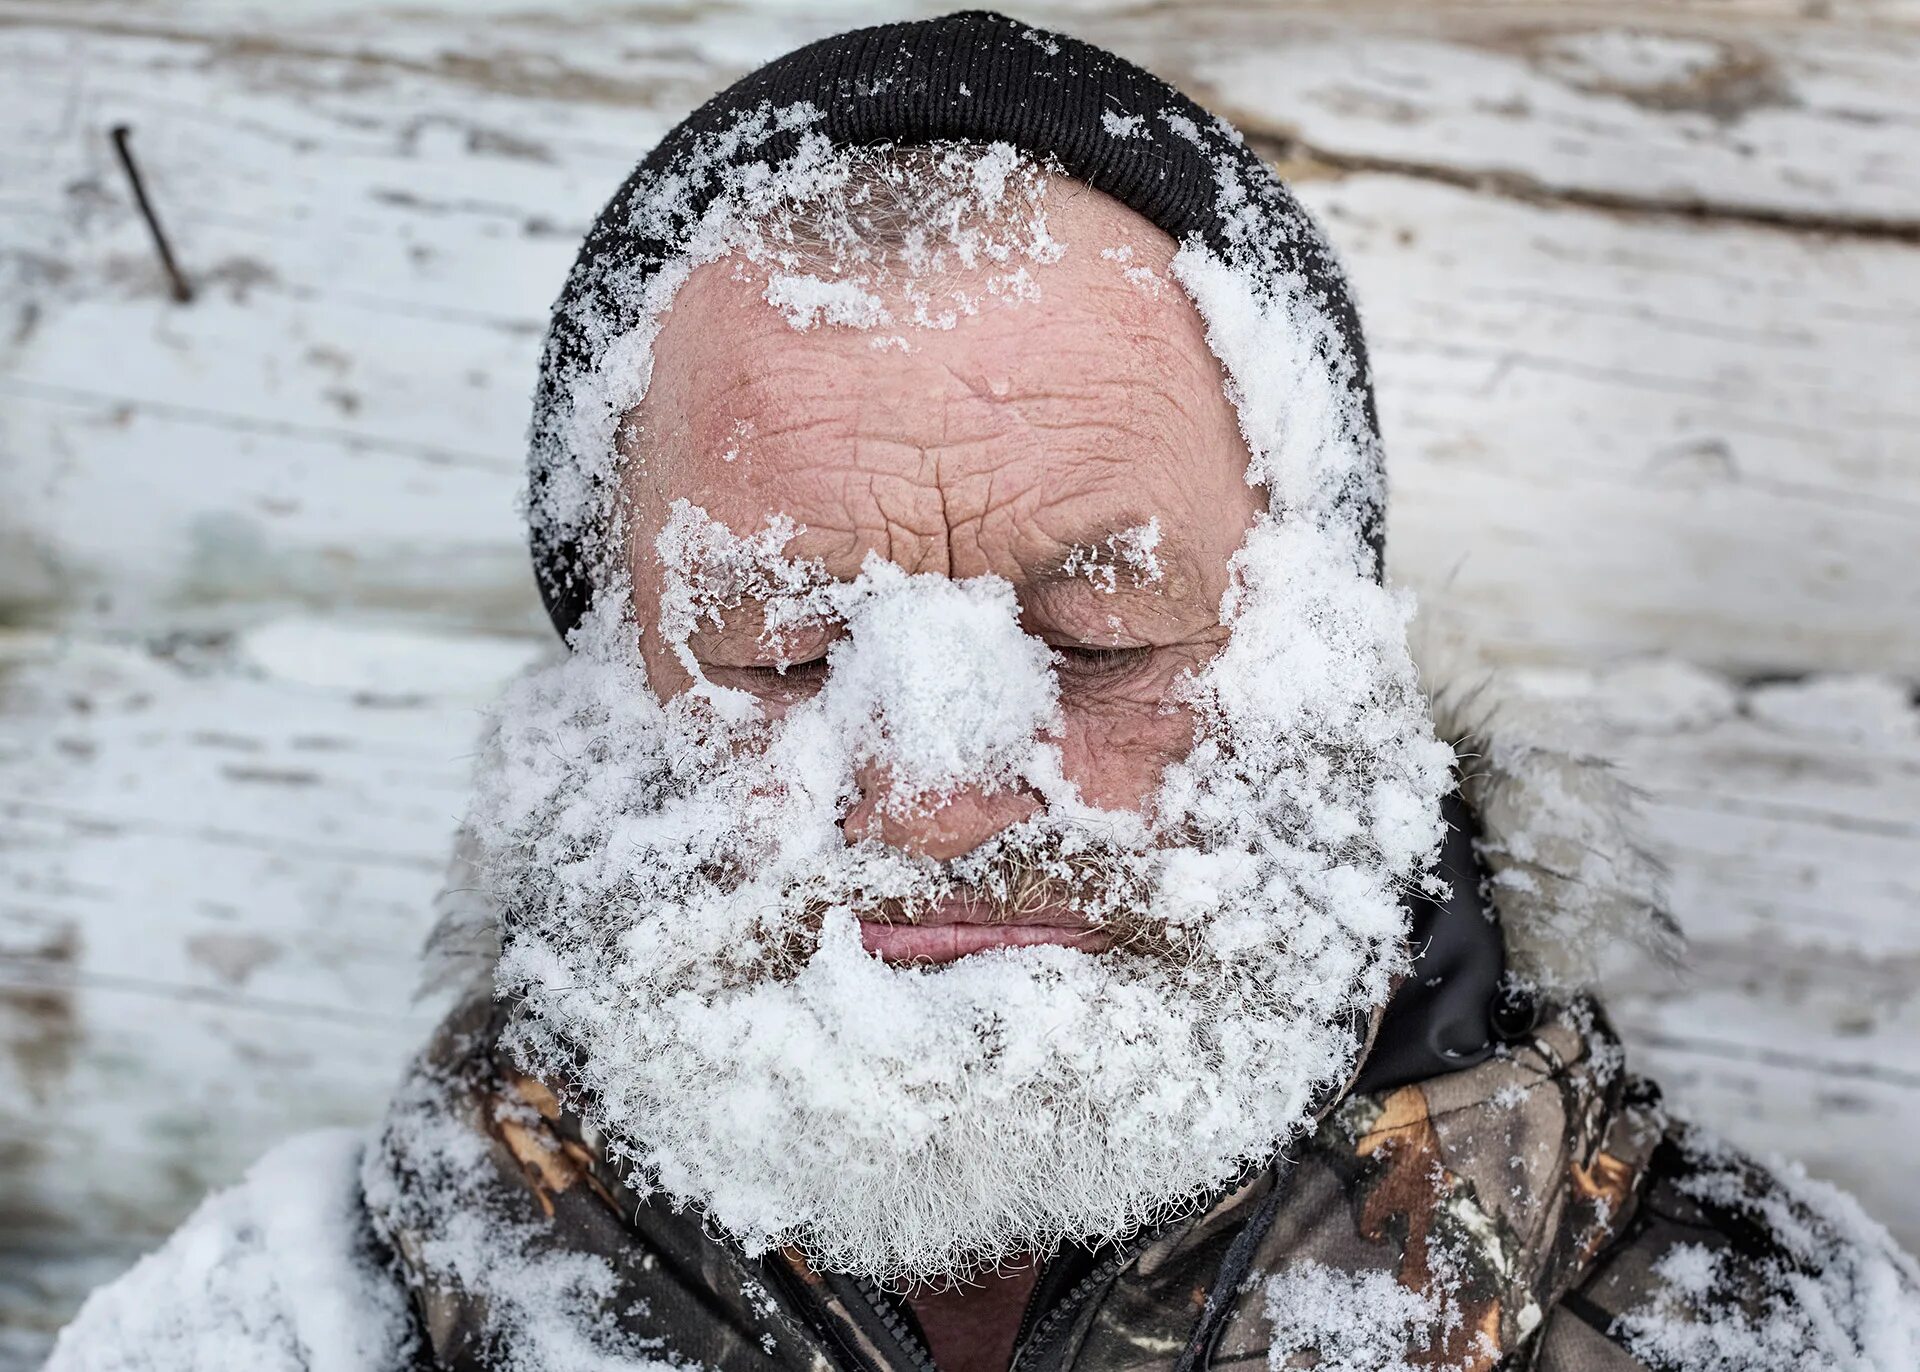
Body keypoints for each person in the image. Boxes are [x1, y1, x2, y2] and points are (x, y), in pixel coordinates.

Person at [46, 13, 1920, 1371]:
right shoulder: (266, 1333)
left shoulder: (1788, 1336)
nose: (938, 785)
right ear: (600, 711)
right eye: (784, 655)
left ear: (1328, 658)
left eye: (1100, 638)